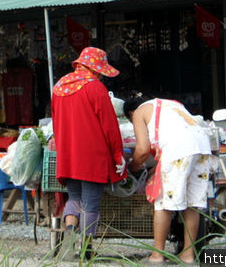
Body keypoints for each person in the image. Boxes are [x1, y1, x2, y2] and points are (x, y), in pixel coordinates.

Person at [51, 47, 125, 257]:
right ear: (95, 68)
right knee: (91, 202)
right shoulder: (95, 87)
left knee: (74, 197)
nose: (101, 74)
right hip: (92, 155)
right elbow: (110, 126)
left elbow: (56, 123)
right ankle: (87, 248)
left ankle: (69, 236)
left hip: (68, 154)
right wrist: (117, 153)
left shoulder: (59, 87)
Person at [124, 94, 213, 265]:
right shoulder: (171, 104)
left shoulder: (139, 113)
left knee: (163, 202)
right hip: (202, 146)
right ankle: (188, 255)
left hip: (178, 148)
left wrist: (132, 167)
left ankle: (157, 256)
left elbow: (142, 150)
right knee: (192, 203)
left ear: (130, 112)